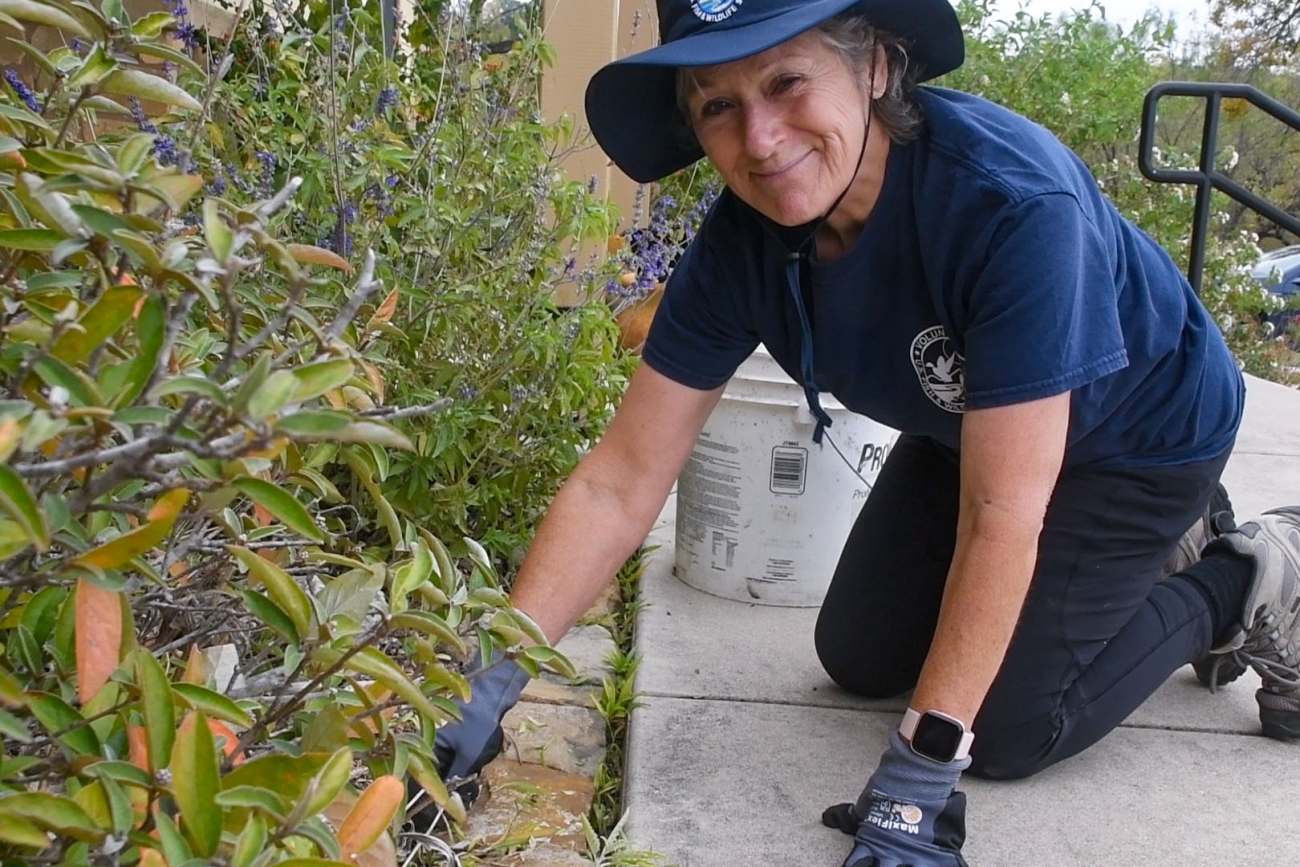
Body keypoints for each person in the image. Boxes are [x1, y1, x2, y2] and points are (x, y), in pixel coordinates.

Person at [428, 1, 1300, 864]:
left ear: (876, 65)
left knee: (1005, 728)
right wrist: (487, 679)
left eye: (787, 81)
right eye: (719, 104)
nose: (761, 140)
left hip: (1139, 439)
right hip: (970, 426)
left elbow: (1001, 514)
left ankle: (1248, 574)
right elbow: (619, 481)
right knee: (859, 654)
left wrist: (919, 781)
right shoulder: (742, 245)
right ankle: (1146, 561)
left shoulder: (1011, 205)